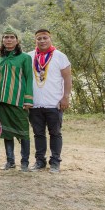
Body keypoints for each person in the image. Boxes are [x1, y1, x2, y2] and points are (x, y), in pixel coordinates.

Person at [28, 29, 72, 173]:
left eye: (45, 38)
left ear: (50, 38)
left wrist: (65, 97)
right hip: (35, 104)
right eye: (39, 38)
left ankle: (55, 162)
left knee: (55, 133)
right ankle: (40, 161)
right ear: (35, 40)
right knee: (38, 134)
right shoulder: (29, 56)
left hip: (54, 103)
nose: (42, 41)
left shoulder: (60, 56)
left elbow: (67, 78)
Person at [0, 27, 33, 172]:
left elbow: (29, 79)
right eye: (6, 37)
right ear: (2, 40)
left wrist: (28, 99)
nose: (9, 40)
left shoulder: (25, 58)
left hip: (18, 101)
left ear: (17, 41)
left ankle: (25, 163)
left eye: (12, 37)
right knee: (6, 132)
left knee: (23, 132)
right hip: (3, 101)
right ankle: (10, 161)